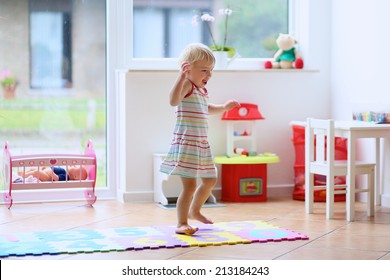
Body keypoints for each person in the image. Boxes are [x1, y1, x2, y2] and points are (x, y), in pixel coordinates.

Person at [160, 43, 240, 235]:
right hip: (187, 143)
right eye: (204, 70)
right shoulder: (187, 84)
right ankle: (181, 222)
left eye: (211, 70)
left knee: (210, 180)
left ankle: (195, 211)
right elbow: (173, 101)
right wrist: (181, 77)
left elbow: (206, 108)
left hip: (201, 144)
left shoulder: (201, 91)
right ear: (188, 69)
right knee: (189, 186)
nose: (209, 75)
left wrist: (223, 107)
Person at [19, 165, 88, 182]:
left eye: (75, 167)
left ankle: (23, 176)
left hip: (47, 177)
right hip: (46, 172)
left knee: (36, 172)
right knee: (35, 169)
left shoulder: (66, 176)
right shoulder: (65, 171)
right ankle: (23, 172)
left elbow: (56, 178)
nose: (73, 165)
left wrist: (51, 172)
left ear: (75, 176)